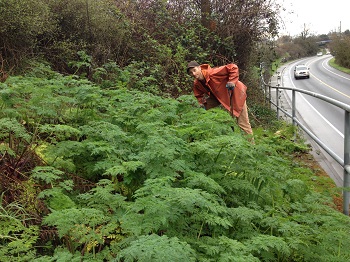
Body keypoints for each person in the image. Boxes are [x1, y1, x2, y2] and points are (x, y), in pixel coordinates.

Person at [187, 60, 253, 136]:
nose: (194, 74)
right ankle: (200, 130)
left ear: (199, 68)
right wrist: (201, 103)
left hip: (236, 93)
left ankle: (251, 145)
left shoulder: (213, 73)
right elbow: (198, 95)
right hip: (219, 96)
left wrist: (232, 81)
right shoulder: (197, 83)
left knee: (242, 123)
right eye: (191, 73)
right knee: (200, 107)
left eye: (194, 70)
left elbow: (233, 67)